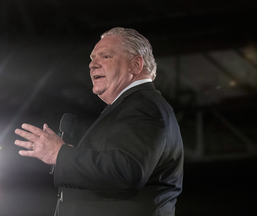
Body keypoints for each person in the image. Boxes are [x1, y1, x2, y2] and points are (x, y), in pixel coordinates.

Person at [15, 27, 184, 216]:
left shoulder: (143, 105)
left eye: (105, 57)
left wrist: (60, 154)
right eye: (92, 58)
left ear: (136, 65)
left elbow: (126, 172)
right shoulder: (133, 105)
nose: (92, 65)